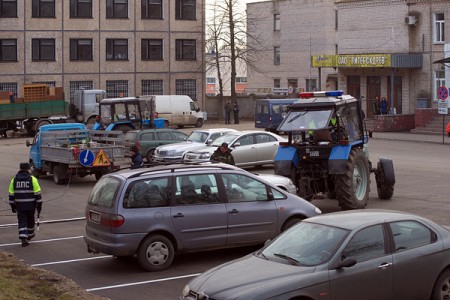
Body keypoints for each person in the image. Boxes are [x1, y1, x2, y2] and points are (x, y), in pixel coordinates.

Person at [8, 162, 42, 247]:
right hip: (31, 206)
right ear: (28, 169)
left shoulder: (14, 179)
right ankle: (30, 235)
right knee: (30, 221)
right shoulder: (32, 179)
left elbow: (11, 194)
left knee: (22, 222)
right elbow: (37, 193)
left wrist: (12, 205)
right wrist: (39, 205)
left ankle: (23, 239)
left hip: (20, 206)